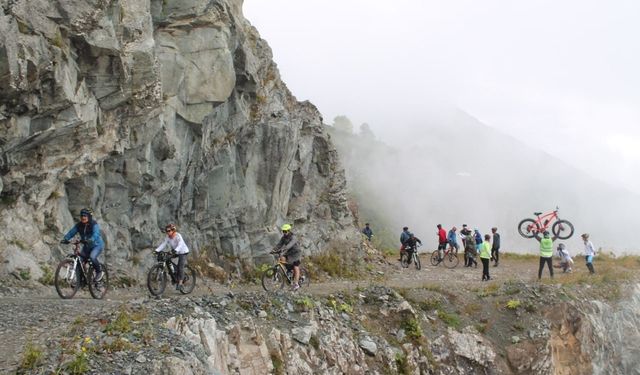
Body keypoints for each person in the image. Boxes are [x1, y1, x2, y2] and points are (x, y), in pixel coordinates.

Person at [61, 208, 105, 281]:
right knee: (79, 262)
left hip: (97, 245)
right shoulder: (79, 225)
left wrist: (91, 239)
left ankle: (99, 272)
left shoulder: (93, 224)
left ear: (89, 216)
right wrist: (66, 238)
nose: (83, 217)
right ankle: (80, 281)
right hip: (87, 246)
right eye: (81, 215)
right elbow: (72, 232)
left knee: (92, 257)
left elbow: (96, 233)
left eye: (85, 215)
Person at [155, 223, 190, 290]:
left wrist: (175, 250)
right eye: (166, 231)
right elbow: (163, 244)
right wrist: (157, 250)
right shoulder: (168, 237)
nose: (167, 232)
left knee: (180, 266)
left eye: (169, 231)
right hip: (175, 251)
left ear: (173, 230)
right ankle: (174, 273)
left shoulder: (178, 236)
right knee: (167, 259)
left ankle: (180, 283)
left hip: (183, 251)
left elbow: (180, 245)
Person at [272, 224, 302, 290]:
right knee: (282, 258)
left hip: (296, 253)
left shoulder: (293, 237)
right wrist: (274, 250)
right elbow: (279, 244)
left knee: (295, 266)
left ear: (289, 231)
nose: (284, 233)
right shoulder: (283, 238)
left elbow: (290, 245)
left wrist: (284, 249)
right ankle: (288, 271)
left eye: (285, 231)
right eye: (283, 231)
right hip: (289, 252)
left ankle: (296, 284)